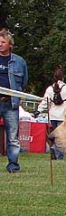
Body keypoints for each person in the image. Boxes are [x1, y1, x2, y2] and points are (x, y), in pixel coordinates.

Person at [0, 29, 28, 173]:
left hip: (11, 104)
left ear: (10, 44)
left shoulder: (19, 61)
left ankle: (13, 165)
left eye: (3, 42)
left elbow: (23, 83)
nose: (0, 45)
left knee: (13, 137)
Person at [37, 67, 66, 160]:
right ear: (63, 78)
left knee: (56, 136)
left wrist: (38, 110)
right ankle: (57, 153)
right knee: (62, 137)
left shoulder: (49, 89)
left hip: (53, 116)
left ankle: (54, 149)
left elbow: (45, 102)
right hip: (63, 117)